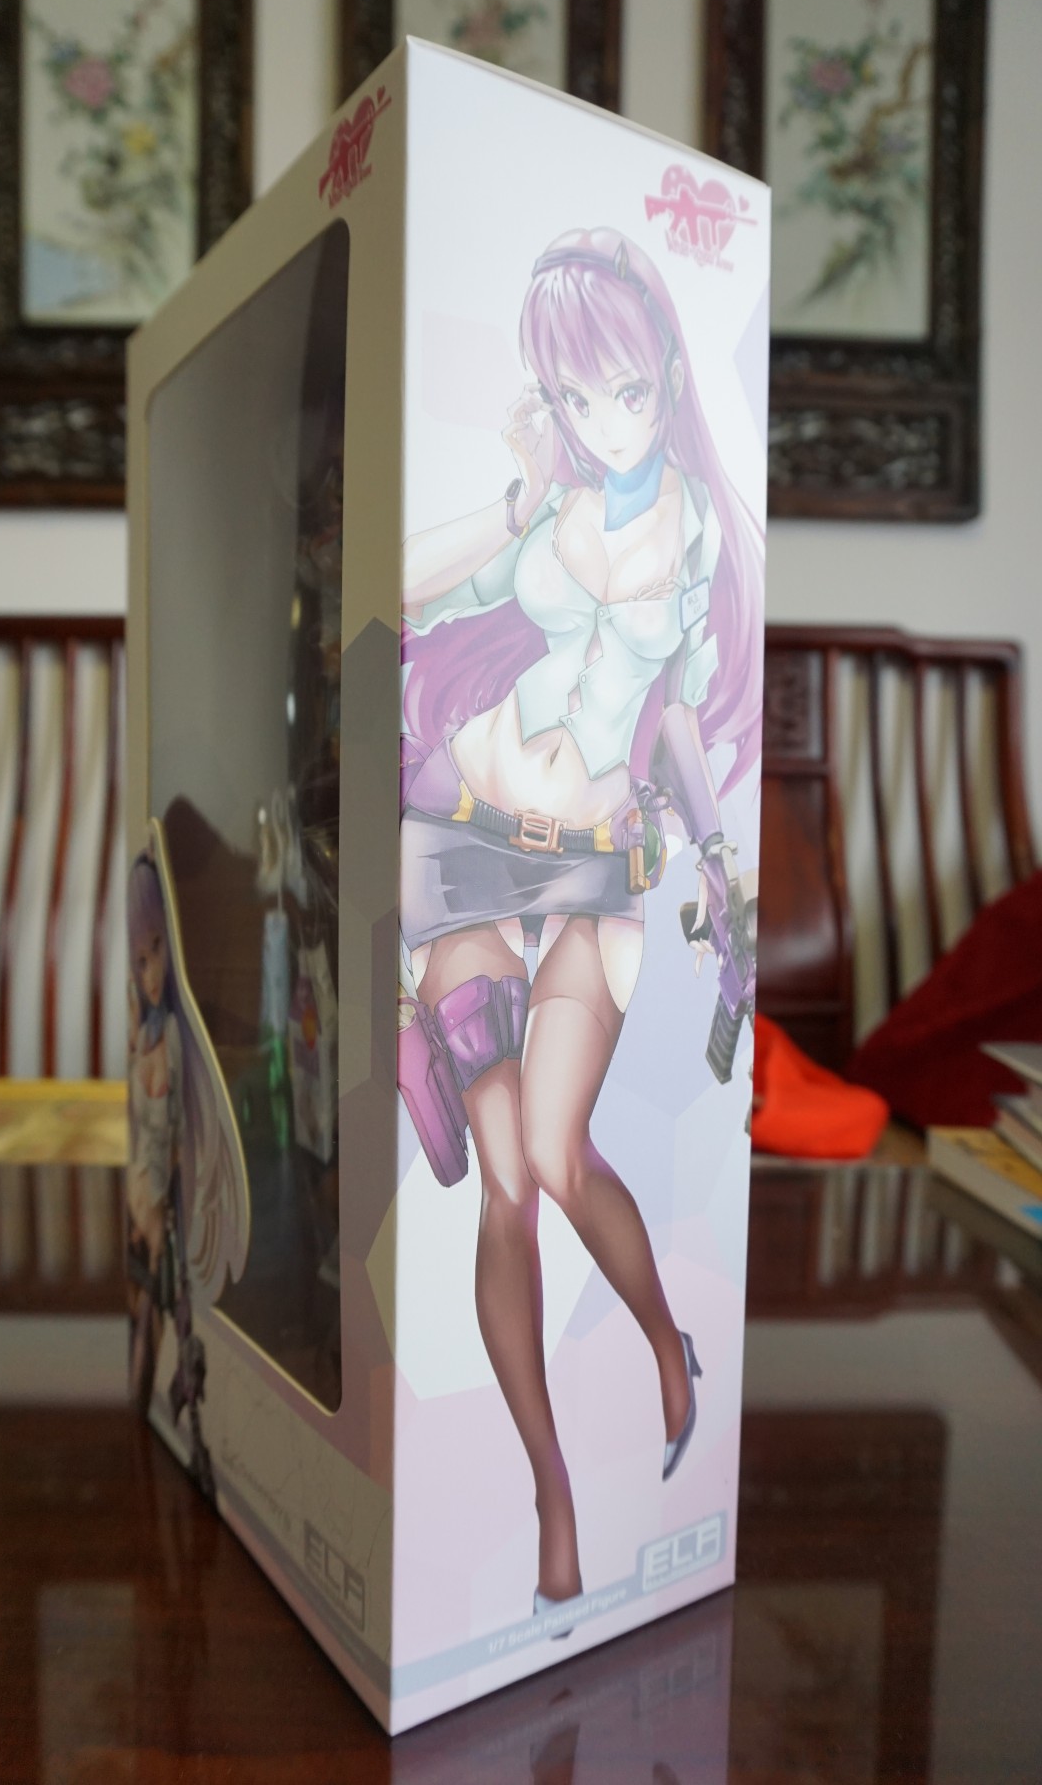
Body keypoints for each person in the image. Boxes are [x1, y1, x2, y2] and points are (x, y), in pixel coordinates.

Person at [398, 227, 763, 1613]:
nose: (607, 423)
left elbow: (676, 722)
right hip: (466, 845)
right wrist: (517, 496)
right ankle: (552, 1487)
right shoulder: (542, 506)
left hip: (598, 866)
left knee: (558, 1149)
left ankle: (667, 1341)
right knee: (504, 1183)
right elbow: (397, 592)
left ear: (665, 368)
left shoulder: (701, 531)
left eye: (627, 391)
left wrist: (715, 861)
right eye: (574, 396)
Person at [126, 847, 248, 1489]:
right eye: (139, 959)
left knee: (169, 1317)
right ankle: (153, 1410)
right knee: (144, 1315)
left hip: (164, 1203)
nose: (150, 972)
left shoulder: (172, 1037)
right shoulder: (146, 1034)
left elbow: (171, 1131)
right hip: (143, 1199)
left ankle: (189, 1430)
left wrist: (163, 1203)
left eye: (157, 951)